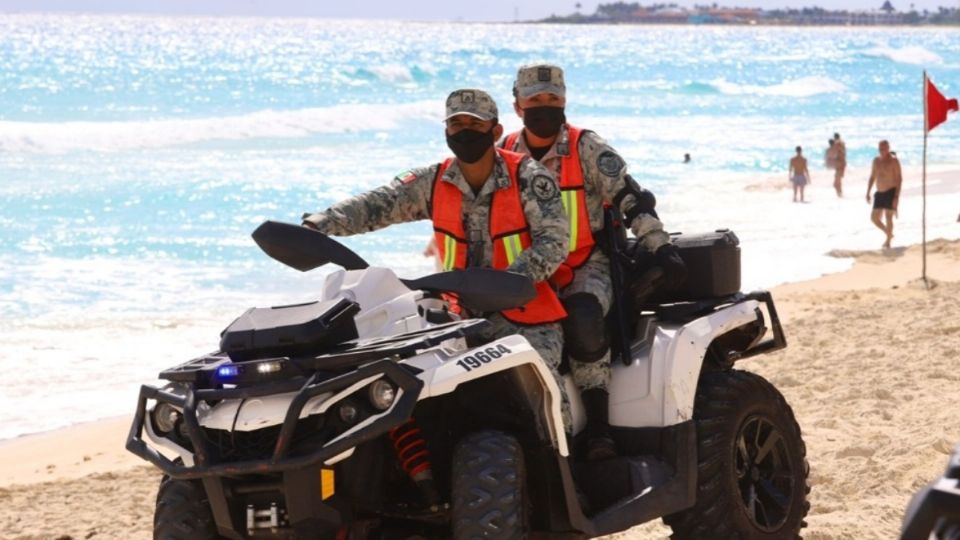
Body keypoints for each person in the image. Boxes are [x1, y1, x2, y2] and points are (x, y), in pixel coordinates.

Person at [302, 89, 576, 430]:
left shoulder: (530, 178)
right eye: (456, 124)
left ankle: (563, 464)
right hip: (455, 315)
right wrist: (322, 223)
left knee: (540, 387)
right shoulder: (433, 181)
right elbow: (379, 203)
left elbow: (554, 242)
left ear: (494, 131)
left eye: (474, 124)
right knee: (403, 387)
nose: (464, 131)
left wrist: (507, 282)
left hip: (526, 316)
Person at [501, 63, 685, 460]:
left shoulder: (587, 147)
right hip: (532, 271)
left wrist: (658, 243)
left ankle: (599, 427)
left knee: (583, 314)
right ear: (517, 106)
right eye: (535, 100)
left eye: (553, 99)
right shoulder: (505, 155)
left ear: (565, 102)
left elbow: (630, 197)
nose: (544, 107)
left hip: (587, 262)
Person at [866, 139, 902, 249]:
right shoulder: (876, 161)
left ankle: (888, 241)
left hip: (891, 191)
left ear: (888, 148)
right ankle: (888, 233)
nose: (882, 150)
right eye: (880, 148)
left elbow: (899, 179)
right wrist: (868, 191)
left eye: (884, 148)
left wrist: (896, 196)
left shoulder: (894, 161)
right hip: (879, 193)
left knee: (888, 217)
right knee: (874, 218)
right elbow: (872, 176)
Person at [833, 132, 847, 197]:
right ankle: (840, 193)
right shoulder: (841, 144)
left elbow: (839, 153)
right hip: (841, 163)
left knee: (836, 182)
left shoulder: (838, 144)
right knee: (838, 181)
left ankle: (840, 194)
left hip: (840, 163)